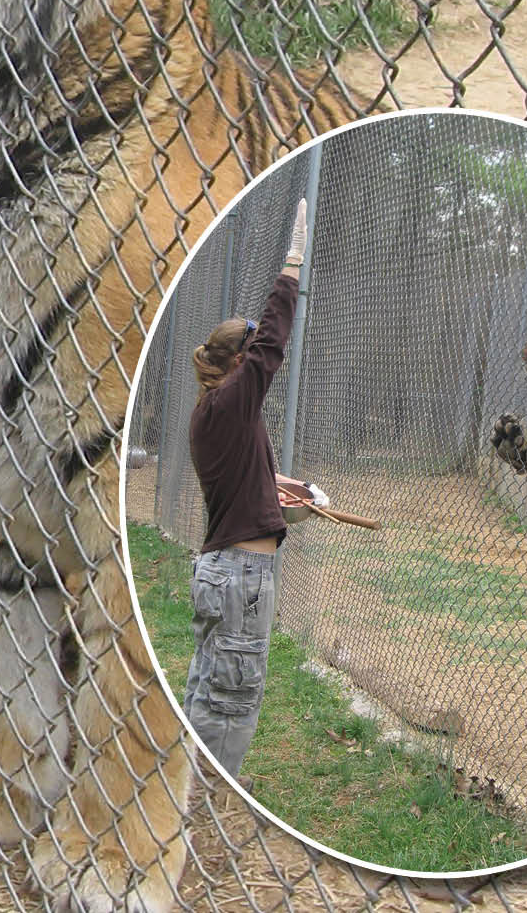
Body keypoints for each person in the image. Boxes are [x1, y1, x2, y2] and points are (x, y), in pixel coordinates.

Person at [182, 197, 308, 779]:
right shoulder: (233, 400)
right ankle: (214, 786)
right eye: (249, 355)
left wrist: (277, 486)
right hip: (242, 577)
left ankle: (191, 772)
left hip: (224, 569)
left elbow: (241, 474)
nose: (258, 363)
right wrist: (292, 268)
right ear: (236, 361)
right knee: (234, 693)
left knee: (211, 681)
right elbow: (271, 348)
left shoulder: (216, 412)